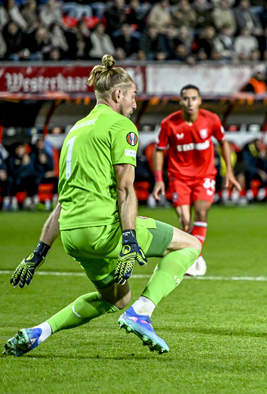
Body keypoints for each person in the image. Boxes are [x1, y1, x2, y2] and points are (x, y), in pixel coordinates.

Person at [3, 54, 202, 357]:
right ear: (118, 95)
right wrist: (129, 238)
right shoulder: (121, 126)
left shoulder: (74, 132)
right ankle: (142, 313)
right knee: (190, 245)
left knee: (116, 299)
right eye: (133, 96)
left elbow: (63, 200)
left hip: (72, 236)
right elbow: (125, 189)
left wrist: (38, 254)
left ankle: (38, 333)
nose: (136, 104)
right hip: (102, 229)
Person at [152, 85, 241, 276]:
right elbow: (159, 151)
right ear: (180, 101)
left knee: (201, 212)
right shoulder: (169, 123)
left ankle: (194, 257)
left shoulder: (211, 120)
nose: (190, 102)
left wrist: (230, 172)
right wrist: (159, 180)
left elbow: (223, 143)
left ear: (200, 100)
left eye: (194, 98)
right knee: (185, 221)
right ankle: (194, 255)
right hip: (179, 177)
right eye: (186, 98)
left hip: (204, 176)